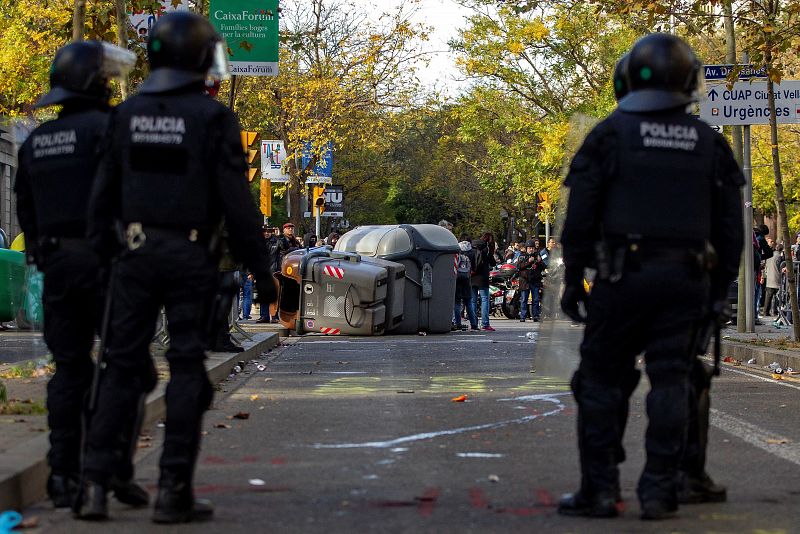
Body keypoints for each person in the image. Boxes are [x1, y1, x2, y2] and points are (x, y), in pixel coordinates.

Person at [76, 12, 277, 523]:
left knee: (118, 367)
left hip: (134, 255)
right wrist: (261, 270)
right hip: (191, 257)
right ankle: (171, 491)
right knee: (188, 367)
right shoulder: (212, 118)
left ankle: (94, 485)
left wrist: (103, 258)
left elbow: (102, 197)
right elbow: (236, 201)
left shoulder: (127, 114)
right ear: (198, 57)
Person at [558, 34, 743, 520]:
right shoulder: (710, 143)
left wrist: (573, 280)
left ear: (625, 78)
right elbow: (731, 231)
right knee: (673, 379)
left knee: (600, 380)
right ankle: (661, 491)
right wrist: (719, 293)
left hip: (621, 280)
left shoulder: (607, 135)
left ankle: (599, 491)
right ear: (687, 80)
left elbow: (578, 219)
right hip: (686, 282)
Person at [13, 40, 149, 510]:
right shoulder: (110, 129)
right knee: (128, 367)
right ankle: (109, 468)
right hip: (109, 265)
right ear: (96, 83)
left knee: (69, 369)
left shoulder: (34, 143)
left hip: (57, 267)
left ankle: (62, 475)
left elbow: (25, 210)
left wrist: (45, 255)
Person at [470, 232, 497, 331]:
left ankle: (474, 324)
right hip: (483, 277)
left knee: (472, 301)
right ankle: (485, 324)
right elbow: (493, 262)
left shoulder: (473, 246)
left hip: (472, 276)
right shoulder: (487, 248)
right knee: (484, 299)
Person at [516, 240, 545, 322]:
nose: (531, 250)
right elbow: (519, 266)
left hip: (535, 281)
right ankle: (523, 316)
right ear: (526, 249)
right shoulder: (522, 256)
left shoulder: (537, 256)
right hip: (525, 281)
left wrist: (539, 262)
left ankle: (535, 316)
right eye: (529, 248)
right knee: (524, 299)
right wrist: (528, 262)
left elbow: (544, 266)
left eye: (532, 248)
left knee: (535, 300)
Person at [453, 234, 478, 331]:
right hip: (467, 280)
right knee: (469, 303)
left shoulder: (456, 250)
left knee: (457, 304)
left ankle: (458, 323)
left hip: (457, 280)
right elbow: (475, 267)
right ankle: (474, 324)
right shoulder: (472, 252)